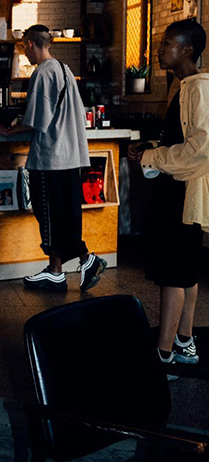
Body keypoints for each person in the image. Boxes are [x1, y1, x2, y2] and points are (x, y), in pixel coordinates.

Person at [0, 25, 107, 292]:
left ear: (31, 43)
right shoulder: (64, 69)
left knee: (49, 216)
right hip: (69, 156)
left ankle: (86, 259)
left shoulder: (43, 72)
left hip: (50, 158)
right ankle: (57, 272)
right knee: (64, 216)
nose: (24, 51)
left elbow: (37, 120)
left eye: (23, 46)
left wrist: (8, 129)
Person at [128, 19, 209, 376]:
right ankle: (184, 342)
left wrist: (151, 157)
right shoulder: (185, 86)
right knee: (186, 272)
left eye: (166, 43)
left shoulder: (198, 89)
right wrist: (154, 147)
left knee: (173, 276)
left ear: (188, 50)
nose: (159, 50)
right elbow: (182, 141)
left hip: (183, 193)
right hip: (179, 191)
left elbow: (200, 148)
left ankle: (162, 355)